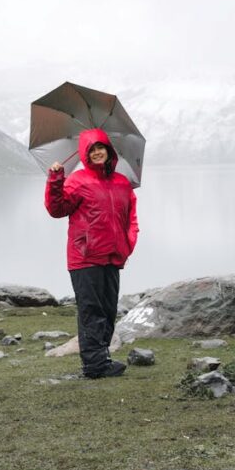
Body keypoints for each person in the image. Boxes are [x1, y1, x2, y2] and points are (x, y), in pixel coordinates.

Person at [44, 127, 139, 379]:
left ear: (109, 151)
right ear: (85, 154)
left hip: (113, 257)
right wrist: (55, 179)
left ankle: (102, 358)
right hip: (85, 257)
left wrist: (127, 244)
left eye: (101, 148)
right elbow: (56, 209)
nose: (97, 153)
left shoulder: (122, 183)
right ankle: (94, 366)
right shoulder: (77, 180)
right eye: (92, 149)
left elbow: (131, 218)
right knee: (91, 311)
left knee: (108, 310)